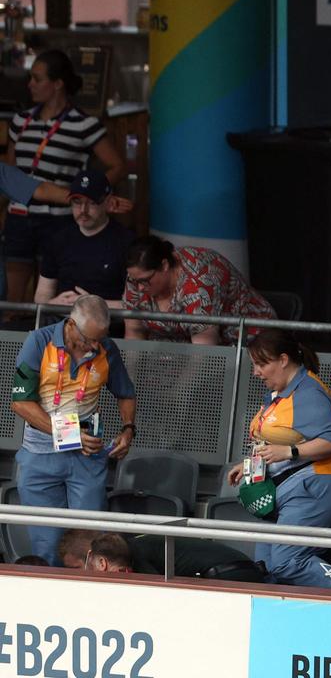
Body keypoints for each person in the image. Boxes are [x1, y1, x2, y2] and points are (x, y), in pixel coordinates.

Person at [225, 329, 331, 590]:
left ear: (283, 360)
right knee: (266, 567)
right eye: (254, 365)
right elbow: (275, 439)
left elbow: (330, 442)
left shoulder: (308, 393)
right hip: (284, 488)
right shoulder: (279, 393)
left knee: (287, 561)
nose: (256, 372)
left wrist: (288, 452)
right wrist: (252, 463)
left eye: (262, 364)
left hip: (317, 488)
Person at [10, 295, 135, 566]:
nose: (94, 346)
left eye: (99, 339)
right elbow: (20, 403)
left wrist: (128, 428)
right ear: (70, 324)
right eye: (89, 339)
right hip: (41, 454)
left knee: (91, 542)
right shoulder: (38, 342)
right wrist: (70, 436)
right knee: (47, 543)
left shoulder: (106, 348)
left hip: (87, 458)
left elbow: (126, 393)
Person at [5, 49, 124, 304]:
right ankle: (16, 341)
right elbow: (11, 171)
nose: (30, 85)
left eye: (37, 79)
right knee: (13, 298)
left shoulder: (84, 124)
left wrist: (93, 196)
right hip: (19, 216)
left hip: (58, 219)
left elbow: (117, 165)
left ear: (58, 83)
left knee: (51, 295)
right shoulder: (20, 120)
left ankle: (50, 342)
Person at [122, 236, 276, 345]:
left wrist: (179, 392)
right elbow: (134, 332)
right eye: (135, 281)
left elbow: (204, 354)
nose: (140, 288)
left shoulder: (200, 281)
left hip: (246, 346)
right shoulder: (137, 278)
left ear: (164, 265)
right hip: (174, 353)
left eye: (145, 281)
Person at [35, 169, 134, 308]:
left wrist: (94, 304)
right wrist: (52, 304)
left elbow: (137, 305)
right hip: (63, 320)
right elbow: (42, 295)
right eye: (77, 202)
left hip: (108, 322)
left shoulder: (126, 242)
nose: (83, 210)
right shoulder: (58, 239)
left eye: (92, 202)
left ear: (108, 202)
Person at [62, 529, 262, 582]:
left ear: (100, 561)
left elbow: (157, 594)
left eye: (76, 569)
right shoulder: (134, 546)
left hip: (233, 572)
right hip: (232, 568)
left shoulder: (137, 555)